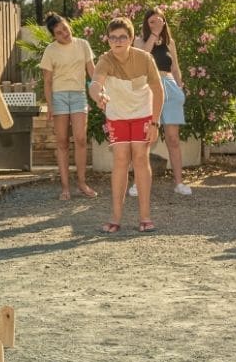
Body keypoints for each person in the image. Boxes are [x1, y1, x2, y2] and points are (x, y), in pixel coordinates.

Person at [89, 17, 163, 233]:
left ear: (131, 39)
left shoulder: (145, 58)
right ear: (108, 40)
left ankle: (145, 216)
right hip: (117, 115)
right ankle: (116, 217)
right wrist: (97, 96)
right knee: (121, 159)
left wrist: (155, 123)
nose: (118, 41)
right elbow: (95, 84)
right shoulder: (105, 60)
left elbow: (158, 91)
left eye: (122, 37)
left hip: (142, 114)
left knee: (140, 157)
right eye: (113, 37)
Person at [129, 7, 192, 196]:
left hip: (171, 90)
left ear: (165, 22)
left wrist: (180, 87)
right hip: (149, 89)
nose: (156, 24)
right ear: (146, 24)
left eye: (159, 21)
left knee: (173, 139)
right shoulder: (139, 40)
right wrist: (153, 35)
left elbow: (175, 68)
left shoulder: (170, 42)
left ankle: (179, 183)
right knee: (145, 139)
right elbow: (142, 60)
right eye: (151, 22)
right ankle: (138, 184)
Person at [39, 12, 98, 201]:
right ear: (53, 36)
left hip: (79, 95)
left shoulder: (83, 44)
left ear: (68, 25)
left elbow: (93, 73)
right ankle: (65, 187)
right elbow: (47, 81)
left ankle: (82, 183)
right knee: (62, 142)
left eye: (65, 28)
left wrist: (101, 92)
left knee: (81, 139)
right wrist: (50, 105)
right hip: (59, 97)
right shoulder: (50, 50)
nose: (64, 33)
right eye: (58, 32)